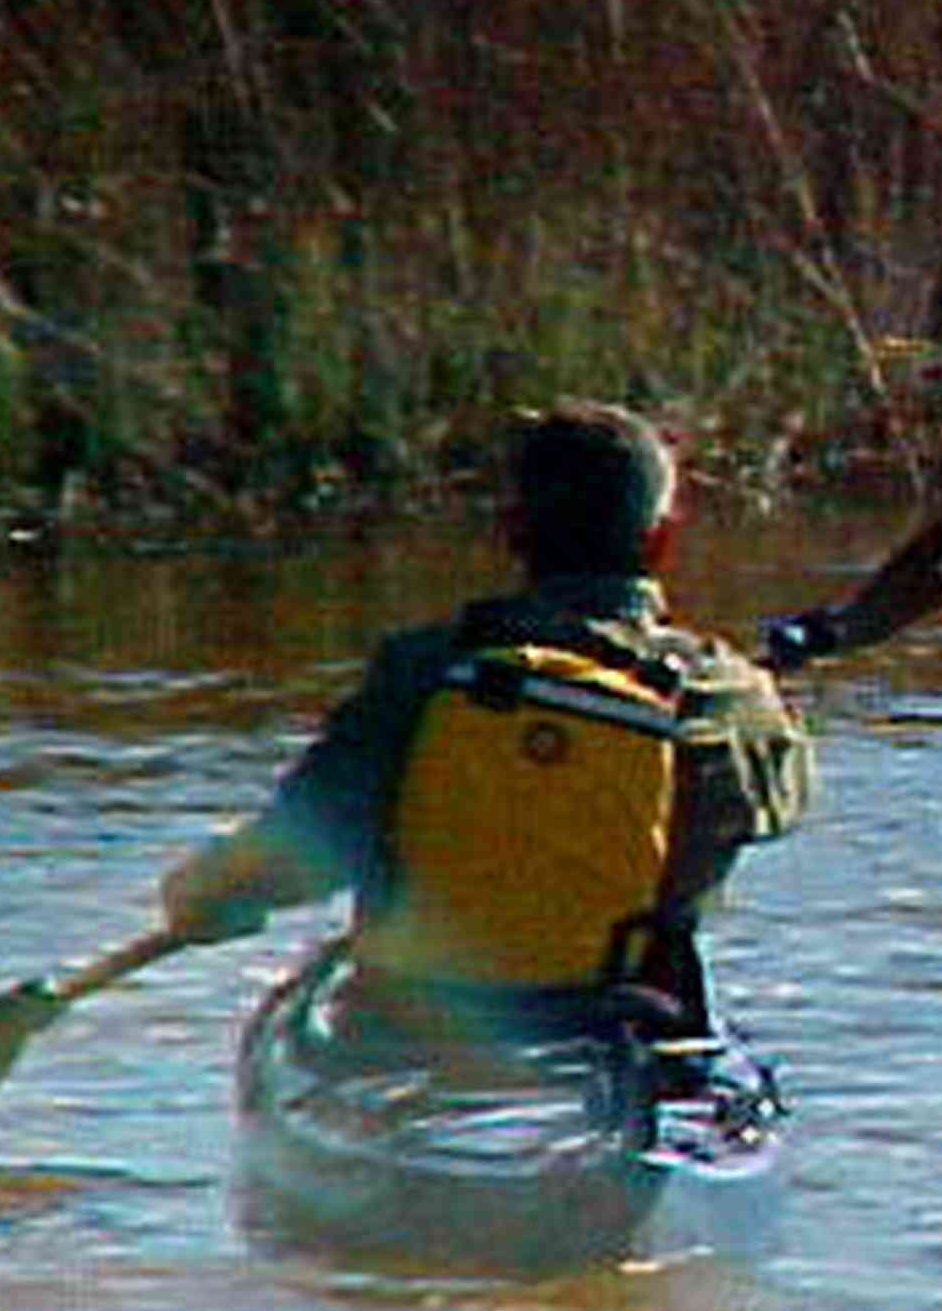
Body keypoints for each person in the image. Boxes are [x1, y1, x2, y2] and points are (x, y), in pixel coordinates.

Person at [161, 404, 811, 1035]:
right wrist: (756, 698)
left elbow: (307, 849)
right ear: (662, 539)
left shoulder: (421, 671)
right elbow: (782, 804)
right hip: (619, 1029)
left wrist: (209, 892)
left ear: (511, 530)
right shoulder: (722, 693)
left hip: (405, 1026)